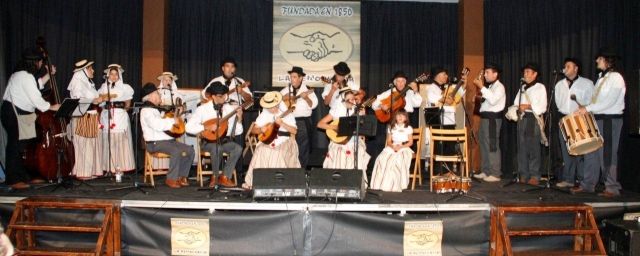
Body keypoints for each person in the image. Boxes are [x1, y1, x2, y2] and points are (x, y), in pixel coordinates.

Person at [1, 47, 60, 189]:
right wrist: (52, 107)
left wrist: (48, 75)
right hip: (14, 113)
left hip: (15, 112)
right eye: (39, 61)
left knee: (24, 146)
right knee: (15, 146)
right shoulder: (25, 77)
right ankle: (13, 179)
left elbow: (36, 85)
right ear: (35, 62)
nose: (40, 64)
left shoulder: (22, 75)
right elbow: (36, 98)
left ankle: (25, 176)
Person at [572, 47, 625, 197]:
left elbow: (609, 102)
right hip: (598, 119)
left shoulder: (616, 78)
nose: (596, 61)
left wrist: (588, 108)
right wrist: (586, 108)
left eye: (599, 59)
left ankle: (612, 187)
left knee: (607, 154)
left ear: (607, 61)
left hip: (609, 119)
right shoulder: (601, 78)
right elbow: (598, 100)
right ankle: (588, 184)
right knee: (591, 151)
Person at [186, 82, 243, 188]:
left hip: (223, 141)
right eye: (221, 96)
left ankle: (225, 177)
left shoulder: (228, 109)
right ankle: (215, 177)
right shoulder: (202, 109)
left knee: (237, 148)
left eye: (226, 95)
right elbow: (188, 128)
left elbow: (238, 132)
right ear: (213, 96)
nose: (224, 98)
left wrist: (239, 119)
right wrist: (206, 127)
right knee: (217, 147)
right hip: (208, 142)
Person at [140, 83, 194, 188]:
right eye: (157, 93)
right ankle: (171, 179)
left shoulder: (157, 110)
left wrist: (177, 115)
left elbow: (169, 123)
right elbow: (158, 125)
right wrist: (173, 120)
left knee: (190, 150)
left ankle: (181, 176)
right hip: (154, 143)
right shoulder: (146, 110)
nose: (160, 95)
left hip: (168, 141)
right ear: (151, 96)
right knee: (176, 150)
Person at [242, 92, 300, 189]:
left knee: (275, 152)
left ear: (277, 104)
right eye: (268, 107)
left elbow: (294, 131)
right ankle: (256, 182)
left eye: (272, 107)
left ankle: (278, 183)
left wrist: (282, 124)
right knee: (260, 150)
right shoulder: (264, 114)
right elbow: (253, 130)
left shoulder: (287, 113)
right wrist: (261, 129)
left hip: (285, 139)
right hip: (268, 140)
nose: (270, 109)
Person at [553, 58, 594, 188]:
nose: (565, 68)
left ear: (576, 68)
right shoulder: (559, 84)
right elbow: (558, 102)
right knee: (566, 150)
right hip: (564, 119)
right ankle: (568, 179)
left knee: (581, 150)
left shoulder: (587, 83)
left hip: (580, 119)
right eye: (565, 66)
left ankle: (582, 179)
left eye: (568, 66)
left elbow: (591, 101)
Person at [318, 88, 371, 178]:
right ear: (342, 100)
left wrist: (362, 116)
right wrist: (334, 127)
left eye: (353, 99)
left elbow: (363, 128)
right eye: (349, 99)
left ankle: (355, 181)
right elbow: (320, 124)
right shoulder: (335, 111)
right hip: (338, 143)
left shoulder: (358, 110)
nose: (351, 101)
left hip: (353, 142)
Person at [67, 59, 105, 179]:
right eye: (90, 68)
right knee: (83, 145)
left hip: (90, 115)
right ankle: (82, 172)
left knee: (90, 145)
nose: (93, 70)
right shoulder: (78, 84)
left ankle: (89, 171)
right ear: (84, 70)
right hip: (83, 117)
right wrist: (95, 100)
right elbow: (79, 100)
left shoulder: (87, 83)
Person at [513, 63, 547, 185]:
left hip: (533, 118)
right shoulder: (522, 87)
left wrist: (528, 105)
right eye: (525, 72)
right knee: (522, 147)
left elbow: (542, 107)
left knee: (533, 148)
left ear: (535, 74)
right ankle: (524, 174)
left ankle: (535, 175)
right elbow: (516, 101)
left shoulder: (540, 87)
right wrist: (520, 107)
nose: (525, 74)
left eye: (528, 71)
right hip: (523, 118)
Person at [98, 64, 135, 173]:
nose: (114, 76)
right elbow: (99, 101)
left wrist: (125, 109)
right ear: (108, 75)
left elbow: (128, 101)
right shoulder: (104, 87)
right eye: (112, 74)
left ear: (119, 76)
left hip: (119, 115)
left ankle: (120, 168)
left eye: (116, 74)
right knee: (108, 140)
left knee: (118, 141)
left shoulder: (125, 87)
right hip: (107, 114)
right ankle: (108, 167)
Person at [472, 63, 506, 182]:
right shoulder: (490, 87)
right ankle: (486, 170)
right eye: (485, 72)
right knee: (483, 144)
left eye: (487, 72)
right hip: (485, 118)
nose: (485, 75)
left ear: (495, 74)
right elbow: (485, 101)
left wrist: (481, 87)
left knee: (492, 145)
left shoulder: (499, 87)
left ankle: (495, 173)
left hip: (492, 119)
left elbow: (492, 100)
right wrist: (478, 98)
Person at [280, 66, 318, 169]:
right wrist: (284, 98)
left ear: (301, 78)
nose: (292, 79)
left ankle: (301, 172)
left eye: (294, 77)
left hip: (302, 122)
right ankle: (288, 169)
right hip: (287, 122)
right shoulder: (285, 90)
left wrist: (306, 98)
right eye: (291, 77)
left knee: (302, 147)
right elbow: (277, 101)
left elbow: (313, 105)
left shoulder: (308, 90)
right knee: (288, 146)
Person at [370, 110, 413, 192]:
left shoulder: (408, 128)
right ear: (395, 117)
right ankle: (381, 183)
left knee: (398, 159)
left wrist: (401, 147)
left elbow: (410, 142)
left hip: (404, 147)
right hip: (393, 146)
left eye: (402, 116)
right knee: (381, 158)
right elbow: (389, 141)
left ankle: (397, 184)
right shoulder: (391, 127)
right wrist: (393, 146)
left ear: (406, 118)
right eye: (398, 115)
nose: (400, 117)